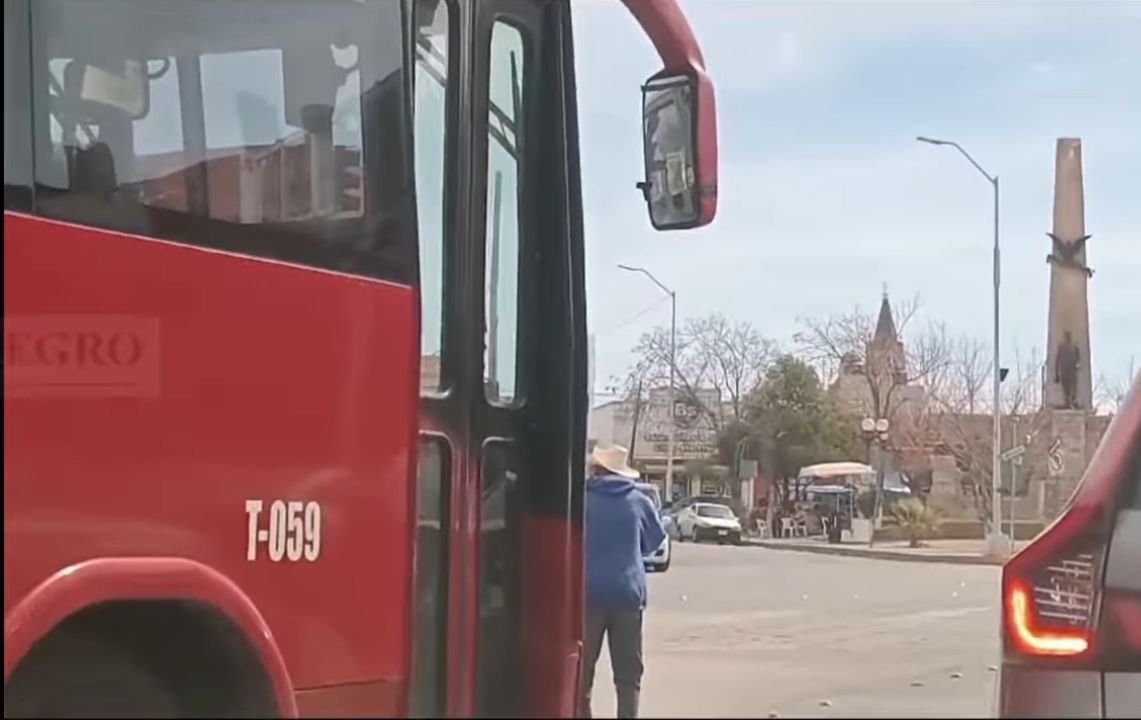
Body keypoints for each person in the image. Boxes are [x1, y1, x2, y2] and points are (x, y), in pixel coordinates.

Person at [580, 444, 666, 719]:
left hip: (588, 593)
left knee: (583, 671)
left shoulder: (582, 500)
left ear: (597, 469)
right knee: (628, 673)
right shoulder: (639, 501)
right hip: (628, 594)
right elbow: (654, 541)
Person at [1055, 330, 1081, 409]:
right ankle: (1067, 402)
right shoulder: (1061, 347)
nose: (1068, 337)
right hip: (1064, 370)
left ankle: (1072, 402)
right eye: (1066, 335)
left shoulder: (1074, 346)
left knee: (1073, 387)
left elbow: (1078, 358)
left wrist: (1077, 365)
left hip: (1072, 370)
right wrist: (1056, 373)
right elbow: (1057, 360)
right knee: (1066, 387)